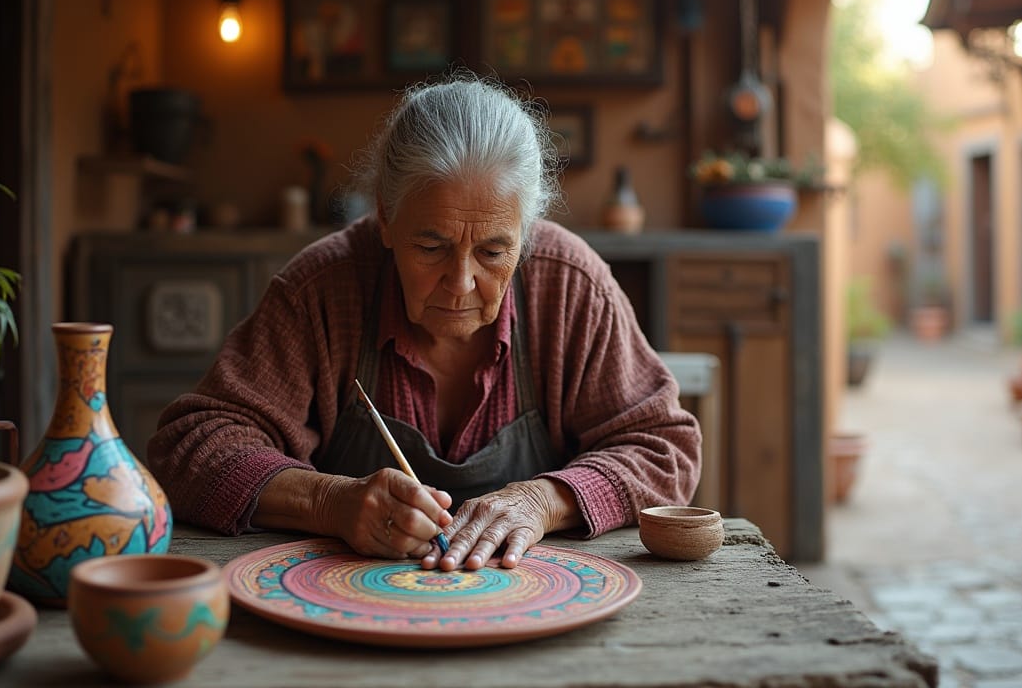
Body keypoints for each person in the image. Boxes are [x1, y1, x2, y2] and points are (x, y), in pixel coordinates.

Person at [147, 73, 701, 572]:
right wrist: (330, 503)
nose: (460, 282)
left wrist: (544, 500)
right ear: (385, 217)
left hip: (529, 617)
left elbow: (662, 447)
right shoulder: (321, 288)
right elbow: (192, 448)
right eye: (431, 246)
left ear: (527, 231)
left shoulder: (569, 284)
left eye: (492, 252)